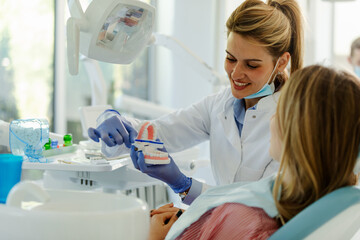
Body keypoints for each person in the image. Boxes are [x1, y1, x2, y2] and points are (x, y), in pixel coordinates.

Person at [88, 0, 304, 204]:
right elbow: (163, 131)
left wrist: (184, 185)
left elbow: (259, 205)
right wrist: (119, 128)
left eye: (252, 65)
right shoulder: (220, 104)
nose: (236, 73)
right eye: (230, 58)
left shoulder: (294, 121)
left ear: (281, 62)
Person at [144, 65, 360, 240]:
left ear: (298, 133)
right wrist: (198, 220)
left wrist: (156, 237)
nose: (272, 119)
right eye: (231, 58)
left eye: (280, 109)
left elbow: (239, 222)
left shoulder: (248, 220)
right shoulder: (315, 197)